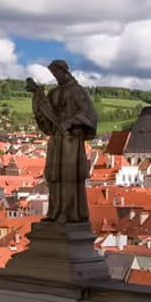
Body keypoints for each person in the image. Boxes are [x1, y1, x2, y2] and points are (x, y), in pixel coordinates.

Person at [26, 60, 98, 223]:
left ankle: (70, 213)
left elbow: (89, 114)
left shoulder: (77, 91)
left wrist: (71, 122)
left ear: (64, 71)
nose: (55, 77)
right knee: (55, 176)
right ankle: (55, 211)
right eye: (52, 74)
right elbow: (47, 117)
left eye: (56, 73)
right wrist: (37, 96)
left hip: (71, 141)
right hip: (58, 140)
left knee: (68, 176)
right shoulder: (54, 93)